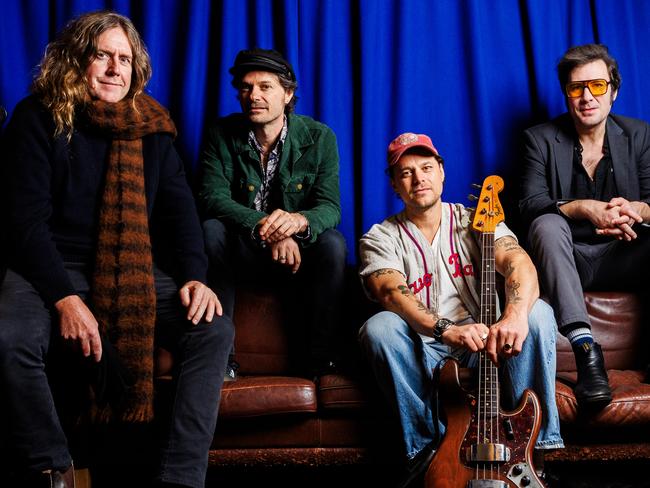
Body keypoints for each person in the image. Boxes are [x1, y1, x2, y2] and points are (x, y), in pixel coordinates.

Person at [0, 11, 233, 488]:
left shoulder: (152, 128)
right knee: (11, 338)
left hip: (128, 267)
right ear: (75, 61)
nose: (114, 69)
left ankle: (181, 478)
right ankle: (53, 469)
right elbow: (23, 225)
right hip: (46, 265)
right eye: (101, 55)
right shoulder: (38, 117)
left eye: (124, 59)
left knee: (212, 331)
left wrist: (194, 276)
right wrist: (65, 298)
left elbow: (180, 212)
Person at [359, 133, 563, 487]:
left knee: (539, 313)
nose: (419, 178)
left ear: (442, 173)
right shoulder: (381, 237)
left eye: (426, 168)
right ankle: (424, 453)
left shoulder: (477, 220)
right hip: (424, 346)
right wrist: (445, 329)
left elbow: (519, 263)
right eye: (406, 173)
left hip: (486, 344)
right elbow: (390, 291)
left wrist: (514, 314)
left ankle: (533, 451)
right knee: (378, 328)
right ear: (394, 185)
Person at [198, 48, 346, 378]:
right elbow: (212, 198)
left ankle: (319, 362)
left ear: (288, 93)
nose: (255, 96)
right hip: (243, 251)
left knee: (333, 244)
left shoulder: (319, 138)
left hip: (299, 258)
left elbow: (329, 207)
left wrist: (297, 222)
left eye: (266, 87)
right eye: (247, 88)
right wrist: (268, 227)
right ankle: (221, 361)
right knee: (210, 229)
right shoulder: (220, 135)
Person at [519, 43, 650, 409]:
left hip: (622, 254)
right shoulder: (539, 139)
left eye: (597, 86)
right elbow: (529, 205)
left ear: (614, 91)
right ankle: (587, 353)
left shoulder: (639, 136)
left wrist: (637, 209)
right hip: (565, 260)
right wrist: (583, 208)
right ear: (566, 94)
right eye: (576, 88)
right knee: (545, 223)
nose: (587, 97)